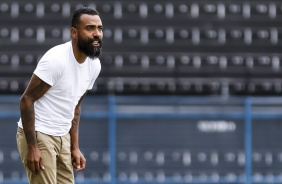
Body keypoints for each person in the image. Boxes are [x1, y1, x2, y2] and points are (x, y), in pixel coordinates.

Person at [16, 7, 103, 184]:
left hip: (63, 136)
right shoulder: (57, 60)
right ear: (74, 32)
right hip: (40, 134)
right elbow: (26, 100)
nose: (97, 34)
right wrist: (32, 147)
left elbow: (75, 107)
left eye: (100, 29)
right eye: (90, 28)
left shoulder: (94, 66)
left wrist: (74, 147)